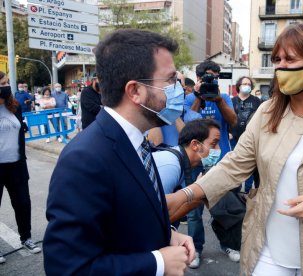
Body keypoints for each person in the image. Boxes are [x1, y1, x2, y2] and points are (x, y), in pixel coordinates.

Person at [166, 23, 303, 275]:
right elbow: (234, 164)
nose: (281, 67)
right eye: (277, 59)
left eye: (290, 59)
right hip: (268, 249)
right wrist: (187, 194)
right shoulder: (267, 112)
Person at [43, 29, 194, 275]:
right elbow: (68, 268)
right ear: (135, 91)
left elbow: (129, 218)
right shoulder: (84, 159)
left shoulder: (138, 141)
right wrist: (158, 263)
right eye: (170, 80)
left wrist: (168, 235)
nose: (179, 89)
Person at [184, 59, 238, 268]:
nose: (211, 80)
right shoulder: (189, 98)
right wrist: (199, 97)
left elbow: (233, 121)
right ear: (198, 79)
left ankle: (230, 244)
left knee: (226, 207)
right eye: (207, 77)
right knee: (193, 211)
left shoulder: (224, 97)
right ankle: (195, 248)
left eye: (215, 77)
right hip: (194, 161)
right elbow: (189, 123)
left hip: (220, 161)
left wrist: (218, 100)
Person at [0, 71, 41, 264]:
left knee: (23, 203)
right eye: (2, 84)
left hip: (16, 164)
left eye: (7, 83)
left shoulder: (14, 106)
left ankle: (26, 238)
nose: (6, 87)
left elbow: (20, 130)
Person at [153, 118, 221, 195]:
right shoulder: (171, 166)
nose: (218, 149)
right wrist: (196, 190)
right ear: (195, 145)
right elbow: (159, 206)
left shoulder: (181, 162)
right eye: (214, 144)